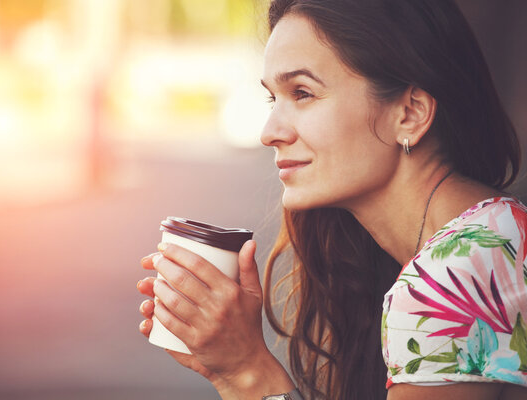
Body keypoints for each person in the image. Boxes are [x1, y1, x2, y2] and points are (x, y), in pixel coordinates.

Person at [137, 0, 527, 399]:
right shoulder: (497, 233)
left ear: (409, 113)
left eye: (302, 92)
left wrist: (248, 372)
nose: (269, 132)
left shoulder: (450, 279)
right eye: (274, 99)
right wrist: (226, 371)